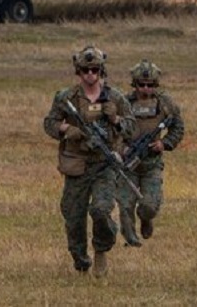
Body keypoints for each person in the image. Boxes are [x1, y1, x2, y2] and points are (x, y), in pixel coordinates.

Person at [42, 45, 134, 276]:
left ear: (101, 70)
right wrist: (67, 130)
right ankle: (81, 261)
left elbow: (132, 128)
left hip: (105, 165)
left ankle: (101, 249)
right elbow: (50, 124)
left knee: (101, 210)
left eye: (95, 70)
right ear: (79, 71)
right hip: (77, 165)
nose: (90, 75)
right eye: (85, 70)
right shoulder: (67, 98)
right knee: (73, 218)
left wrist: (116, 119)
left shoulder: (115, 97)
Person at [115, 59, 184, 247]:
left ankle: (145, 218)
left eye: (150, 85)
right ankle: (131, 240)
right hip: (128, 164)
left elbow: (178, 127)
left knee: (150, 206)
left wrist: (164, 143)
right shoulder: (124, 104)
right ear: (134, 84)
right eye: (141, 85)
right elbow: (113, 131)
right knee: (125, 204)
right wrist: (122, 149)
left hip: (151, 164)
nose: (146, 89)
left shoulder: (165, 103)